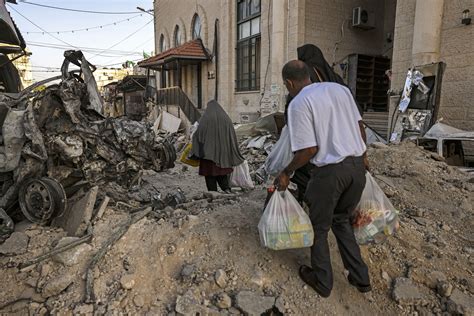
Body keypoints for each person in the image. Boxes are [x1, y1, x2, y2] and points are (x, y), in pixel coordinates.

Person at [277, 60, 371, 298]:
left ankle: (322, 281)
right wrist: (364, 156)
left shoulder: (299, 103)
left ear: (289, 83)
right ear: (308, 75)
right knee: (341, 220)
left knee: (318, 228)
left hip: (330, 173)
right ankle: (361, 278)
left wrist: (286, 172)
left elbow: (308, 150)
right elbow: (360, 126)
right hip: (357, 168)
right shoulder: (340, 90)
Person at [191, 100, 244, 193]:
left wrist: (196, 150)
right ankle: (226, 189)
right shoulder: (226, 118)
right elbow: (232, 135)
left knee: (210, 174)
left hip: (208, 155)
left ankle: (213, 192)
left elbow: (198, 135)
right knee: (222, 172)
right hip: (224, 153)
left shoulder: (205, 118)